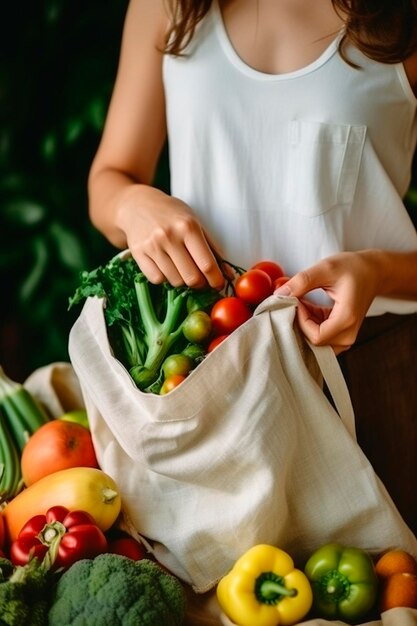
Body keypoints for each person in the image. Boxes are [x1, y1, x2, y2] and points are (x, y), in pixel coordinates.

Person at [88, 1, 417, 531]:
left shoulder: (404, 16)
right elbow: (110, 178)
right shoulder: (167, 6)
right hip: (204, 373)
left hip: (372, 372)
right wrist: (131, 205)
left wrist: (378, 269)